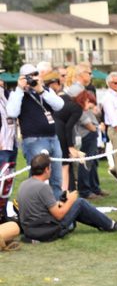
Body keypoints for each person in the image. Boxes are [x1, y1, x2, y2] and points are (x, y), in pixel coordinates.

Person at [17, 153, 117, 242]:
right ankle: (111, 225)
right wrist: (71, 200)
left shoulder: (24, 184)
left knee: (76, 205)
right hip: (46, 230)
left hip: (31, 229)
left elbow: (42, 209)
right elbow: (59, 214)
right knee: (80, 202)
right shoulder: (43, 187)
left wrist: (63, 201)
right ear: (47, 169)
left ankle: (105, 224)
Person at [6, 63, 65, 199]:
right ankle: (36, 207)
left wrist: (41, 90)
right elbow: (12, 112)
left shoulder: (44, 90)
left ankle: (56, 210)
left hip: (53, 138)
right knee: (38, 178)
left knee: (56, 179)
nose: (32, 78)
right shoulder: (17, 93)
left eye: (35, 74)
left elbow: (59, 105)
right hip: (33, 140)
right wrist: (21, 89)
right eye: (28, 76)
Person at [75, 90, 108, 200]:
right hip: (86, 137)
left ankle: (94, 188)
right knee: (86, 164)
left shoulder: (87, 110)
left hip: (91, 136)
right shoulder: (81, 110)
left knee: (93, 163)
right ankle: (85, 190)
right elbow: (89, 125)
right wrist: (97, 128)